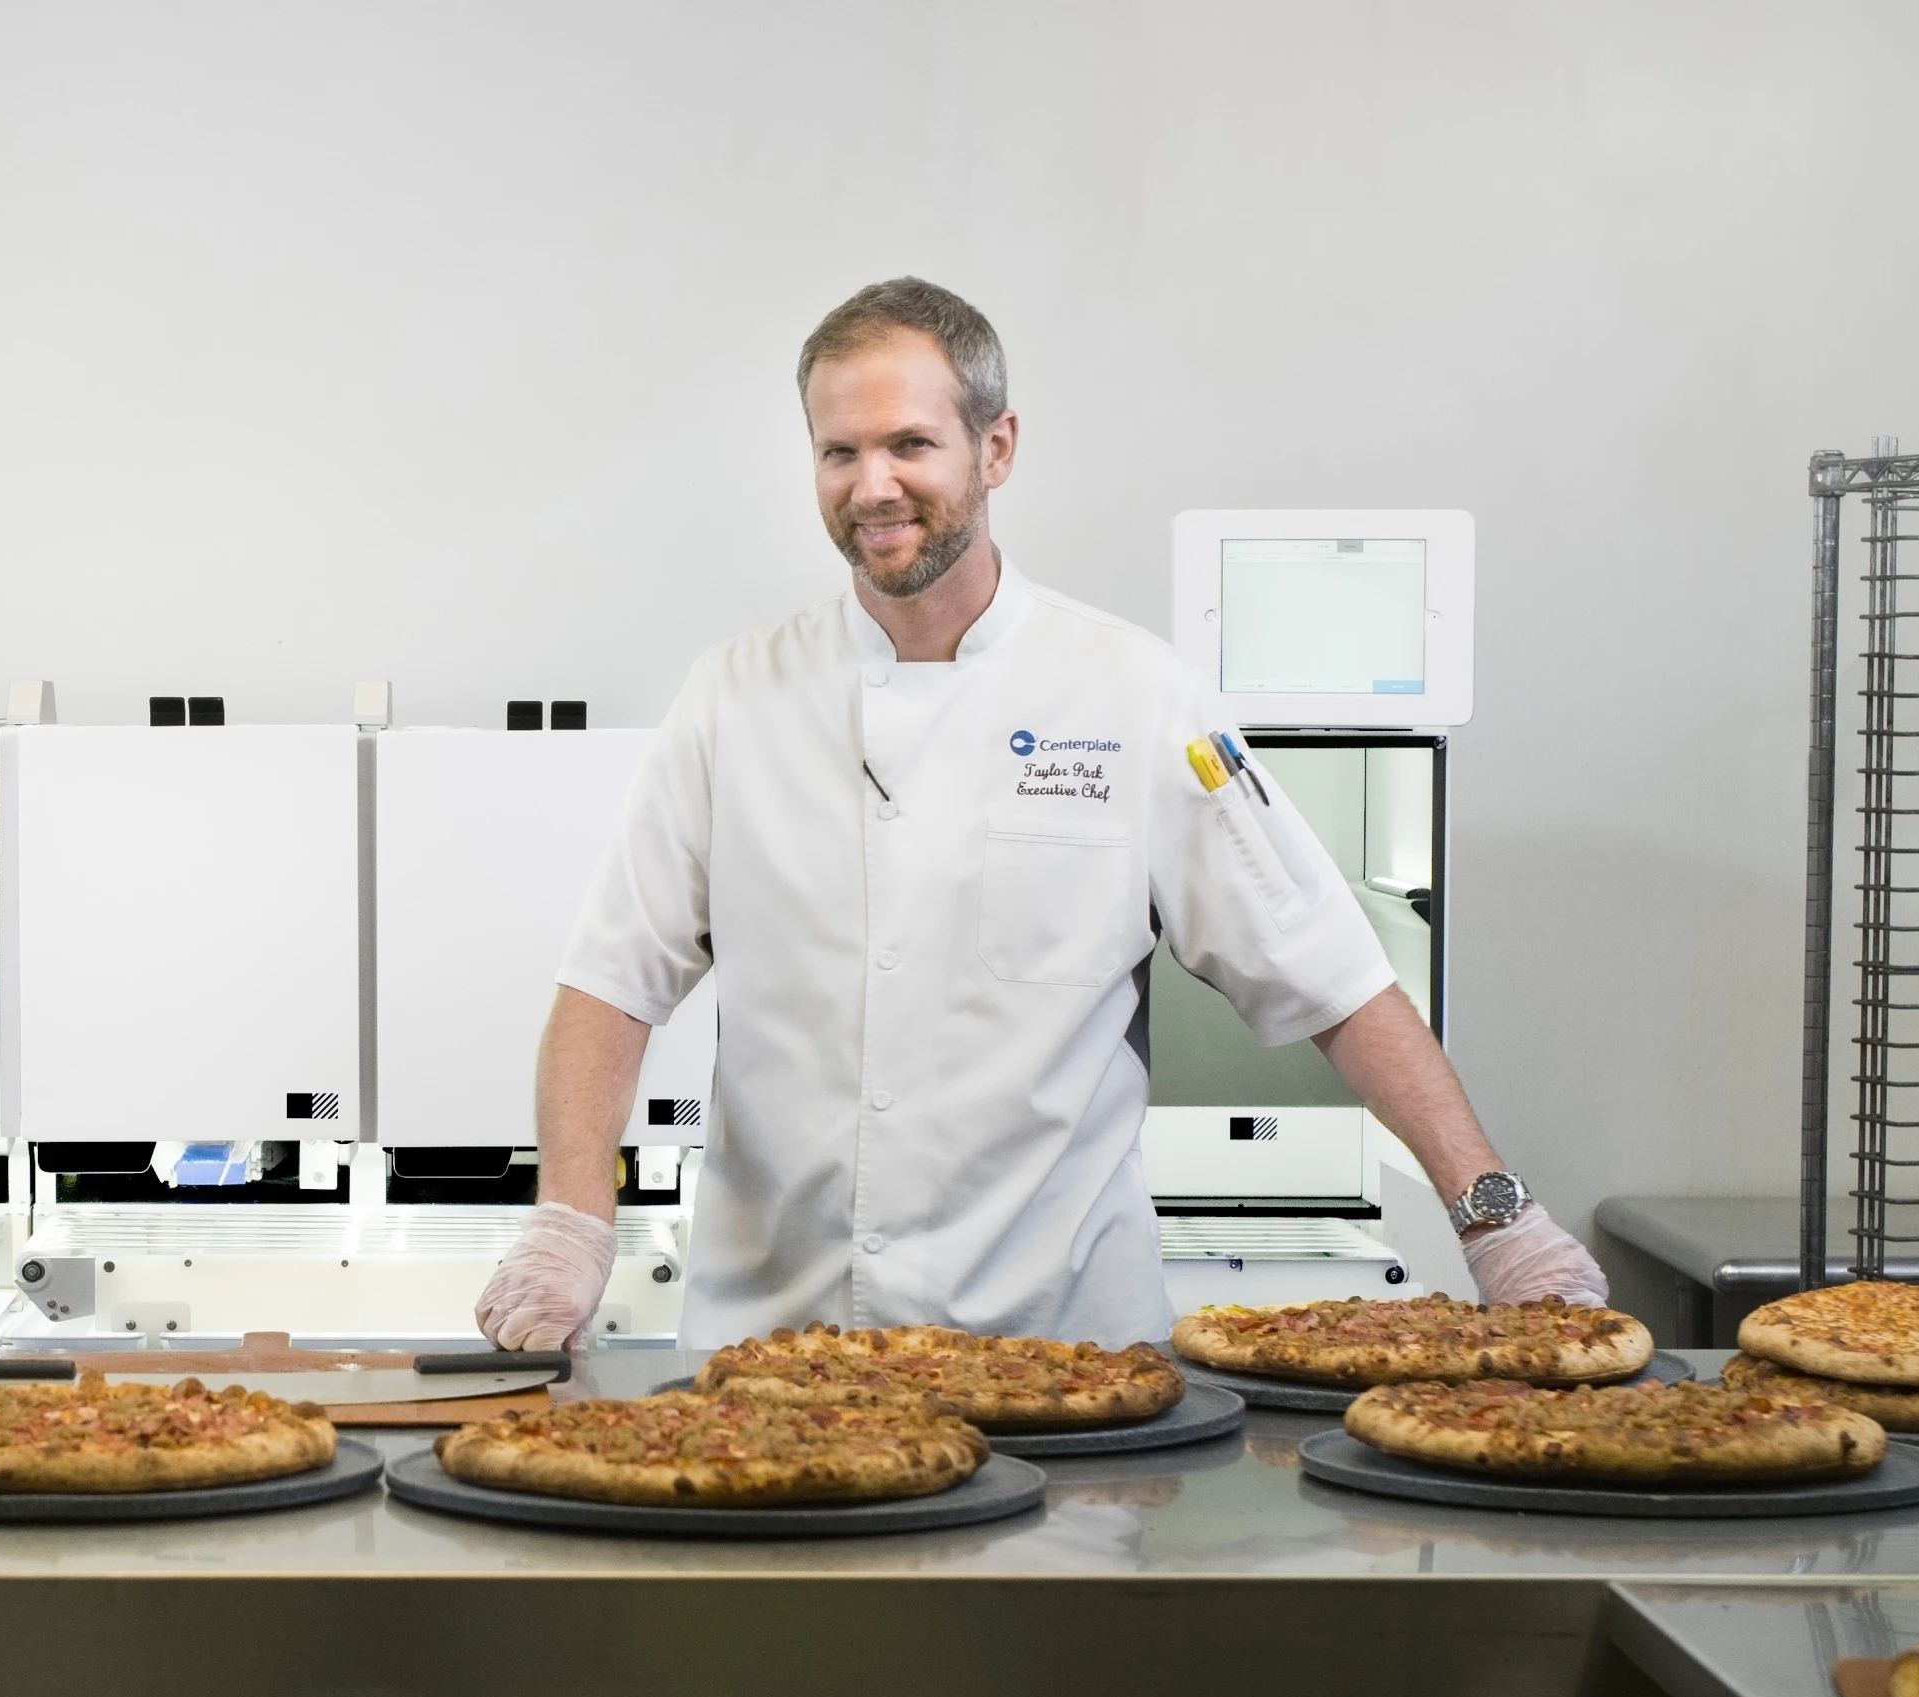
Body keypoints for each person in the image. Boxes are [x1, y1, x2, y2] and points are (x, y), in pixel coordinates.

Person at [475, 277, 1609, 1352]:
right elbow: (611, 987)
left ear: (995, 447)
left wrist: (1495, 1218)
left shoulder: (1132, 694)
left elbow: (1333, 976)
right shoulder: (733, 697)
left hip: (1063, 1368)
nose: (874, 485)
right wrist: (572, 1221)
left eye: (910, 444)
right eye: (840, 451)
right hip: (774, 1355)